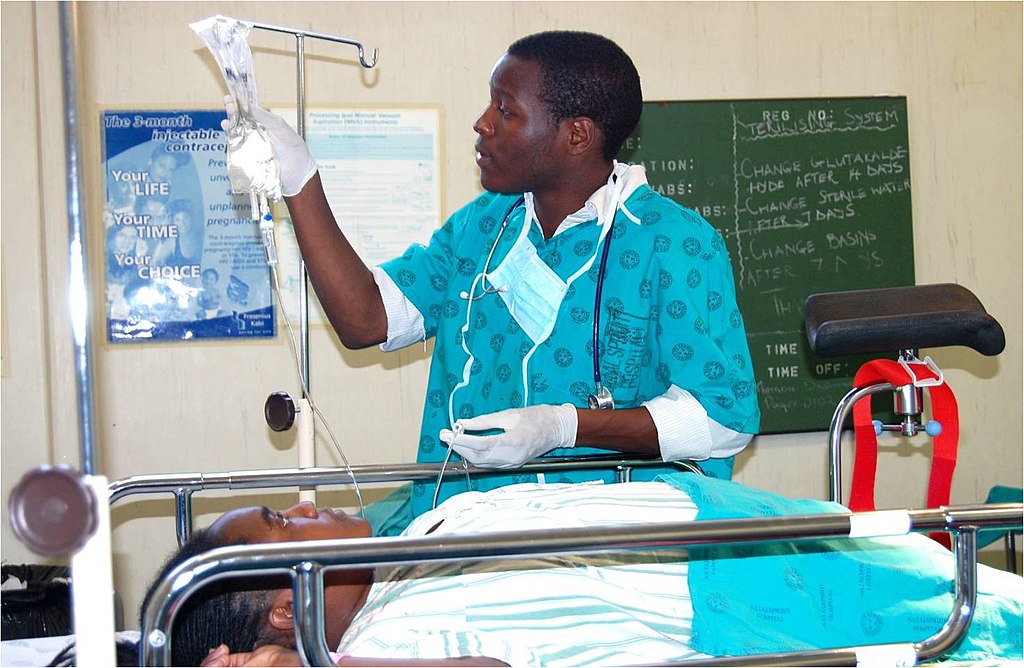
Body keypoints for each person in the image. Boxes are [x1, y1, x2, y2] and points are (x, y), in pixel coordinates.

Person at [225, 30, 760, 527]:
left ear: (576, 135)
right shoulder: (483, 226)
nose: (482, 123)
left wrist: (563, 426)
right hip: (464, 535)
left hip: (605, 553)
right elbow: (367, 319)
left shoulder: (670, 242)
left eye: (506, 111)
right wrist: (300, 179)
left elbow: (722, 420)